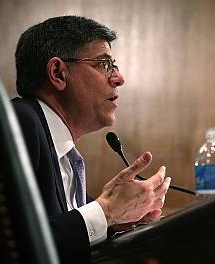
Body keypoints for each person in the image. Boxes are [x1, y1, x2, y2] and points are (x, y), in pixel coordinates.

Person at [11, 15, 171, 262]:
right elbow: (11, 246)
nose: (119, 78)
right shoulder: (20, 123)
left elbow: (61, 232)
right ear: (58, 73)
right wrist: (106, 211)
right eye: (103, 64)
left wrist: (117, 220)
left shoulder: (62, 151)